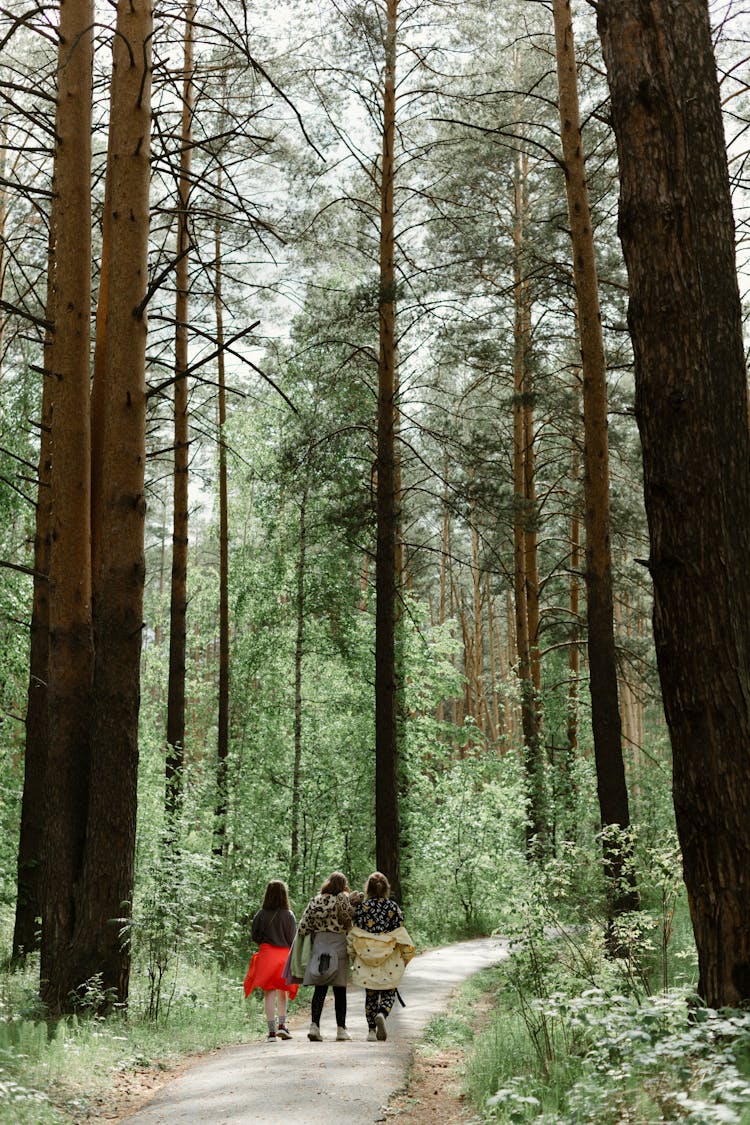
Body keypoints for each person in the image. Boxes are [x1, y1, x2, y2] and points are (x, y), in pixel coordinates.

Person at [348, 871, 414, 1042]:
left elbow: (356, 931)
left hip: (367, 954)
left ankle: (371, 1031)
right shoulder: (393, 907)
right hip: (389, 956)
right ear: (386, 888)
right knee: (389, 990)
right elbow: (400, 931)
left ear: (368, 888)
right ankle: (382, 1013)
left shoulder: (362, 909)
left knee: (371, 993)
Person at [297, 871, 362, 1042]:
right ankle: (341, 1029)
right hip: (339, 945)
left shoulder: (316, 900)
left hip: (320, 946)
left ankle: (314, 1026)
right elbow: (350, 918)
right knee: (340, 989)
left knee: (320, 987)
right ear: (343, 885)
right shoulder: (343, 900)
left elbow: (303, 927)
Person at [244, 879, 298, 1041]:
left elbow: (255, 936)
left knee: (269, 993)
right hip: (283, 957)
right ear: (284, 895)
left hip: (267, 956)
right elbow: (293, 939)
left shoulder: (260, 914)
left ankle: (271, 1032)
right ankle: (283, 1025)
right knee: (283, 991)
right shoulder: (288, 915)